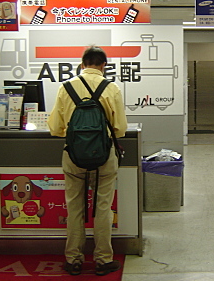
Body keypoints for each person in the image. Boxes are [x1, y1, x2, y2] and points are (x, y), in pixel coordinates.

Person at [48, 46, 128, 276]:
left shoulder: (65, 88)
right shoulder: (111, 88)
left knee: (75, 208)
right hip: (104, 156)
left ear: (82, 64)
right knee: (102, 208)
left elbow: (55, 128)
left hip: (73, 156)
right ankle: (103, 260)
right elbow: (120, 129)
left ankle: (73, 259)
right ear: (104, 65)